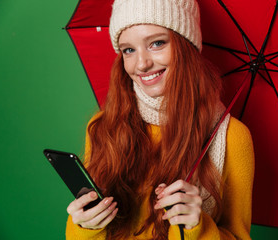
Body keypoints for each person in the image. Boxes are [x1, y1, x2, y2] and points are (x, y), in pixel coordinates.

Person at [66, 0, 254, 239]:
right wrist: (85, 226)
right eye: (129, 50)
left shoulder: (231, 137)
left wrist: (197, 226)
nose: (142, 64)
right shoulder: (104, 127)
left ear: (186, 45)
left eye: (157, 43)